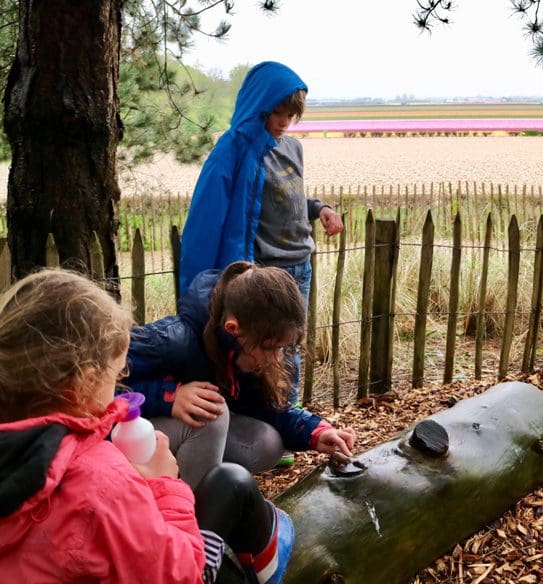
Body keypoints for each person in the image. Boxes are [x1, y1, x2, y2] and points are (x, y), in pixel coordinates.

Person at [0, 269, 292, 584]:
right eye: (117, 374)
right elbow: (176, 575)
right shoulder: (102, 480)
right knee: (232, 482)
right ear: (82, 385)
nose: (121, 382)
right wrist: (165, 484)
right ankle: (269, 566)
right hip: (179, 569)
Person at [179, 61, 344, 430]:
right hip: (267, 272)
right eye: (278, 113)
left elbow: (289, 197)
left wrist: (321, 209)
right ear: (259, 107)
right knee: (264, 350)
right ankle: (267, 423)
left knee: (289, 347)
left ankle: (291, 419)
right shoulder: (236, 151)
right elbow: (211, 214)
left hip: (300, 263)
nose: (284, 122)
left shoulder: (292, 149)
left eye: (291, 115)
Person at [125, 261, 356, 488]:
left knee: (267, 444)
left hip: (177, 435)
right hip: (123, 439)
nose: (276, 358)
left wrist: (316, 432)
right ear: (233, 329)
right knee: (213, 414)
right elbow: (98, 390)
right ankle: (192, 513)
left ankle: (190, 476)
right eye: (270, 348)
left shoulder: (241, 348)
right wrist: (168, 397)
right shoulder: (173, 340)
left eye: (281, 349)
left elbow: (267, 410)